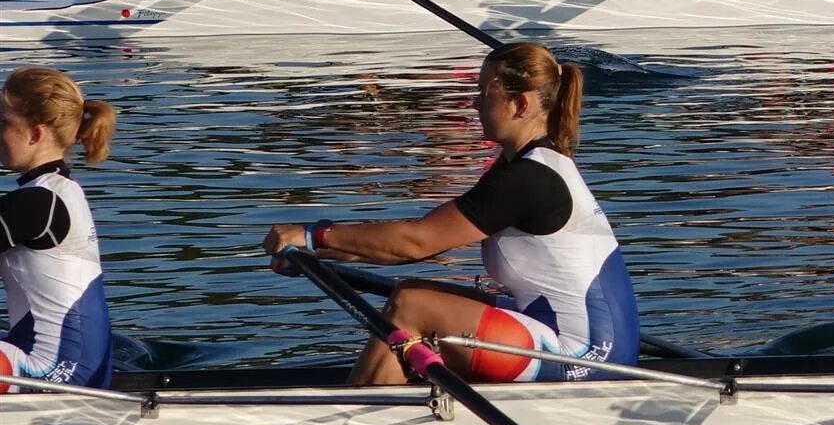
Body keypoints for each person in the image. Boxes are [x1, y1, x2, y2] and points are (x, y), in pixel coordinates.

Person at [261, 44, 639, 386]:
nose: (474, 104)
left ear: (520, 105)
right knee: (412, 292)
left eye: (484, 92)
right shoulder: (529, 165)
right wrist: (317, 256)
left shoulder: (529, 178)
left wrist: (314, 235)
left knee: (413, 307)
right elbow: (420, 245)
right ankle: (378, 400)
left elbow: (416, 241)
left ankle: (358, 416)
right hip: (565, 332)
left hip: (589, 359)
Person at [0, 67, 115, 393]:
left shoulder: (39, 203)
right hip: (75, 366)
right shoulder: (57, 191)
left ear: (35, 134)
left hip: (53, 371)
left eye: (4, 123)